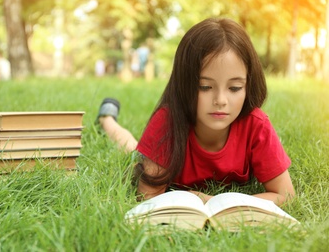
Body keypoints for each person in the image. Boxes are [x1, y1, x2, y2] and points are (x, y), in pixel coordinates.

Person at [95, 17, 295, 206]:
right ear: (184, 83)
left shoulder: (256, 124)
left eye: (234, 88)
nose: (220, 101)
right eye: (205, 87)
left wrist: (213, 202)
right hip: (156, 152)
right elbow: (148, 198)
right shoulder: (167, 121)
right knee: (130, 148)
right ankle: (107, 118)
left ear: (248, 85)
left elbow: (285, 194)